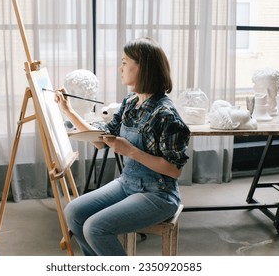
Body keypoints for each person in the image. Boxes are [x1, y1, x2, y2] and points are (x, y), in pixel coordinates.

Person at [55, 37, 190, 256]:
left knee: (95, 228)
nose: (120, 68)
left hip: (159, 194)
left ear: (143, 68)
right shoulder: (130, 102)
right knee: (73, 213)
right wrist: (69, 111)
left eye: (125, 62)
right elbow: (101, 139)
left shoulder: (166, 115)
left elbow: (174, 170)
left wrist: (131, 151)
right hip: (128, 183)